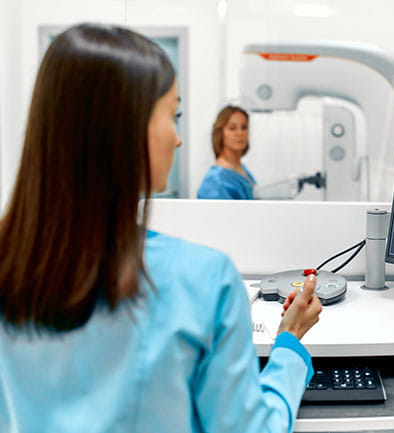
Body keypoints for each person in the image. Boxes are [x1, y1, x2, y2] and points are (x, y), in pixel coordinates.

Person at [0, 23, 322, 433]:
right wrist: (289, 344)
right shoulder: (202, 281)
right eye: (173, 116)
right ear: (124, 130)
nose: (178, 139)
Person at [197, 105, 257, 199]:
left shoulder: (241, 168)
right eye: (232, 128)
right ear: (220, 133)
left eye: (244, 127)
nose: (240, 133)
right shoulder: (215, 179)